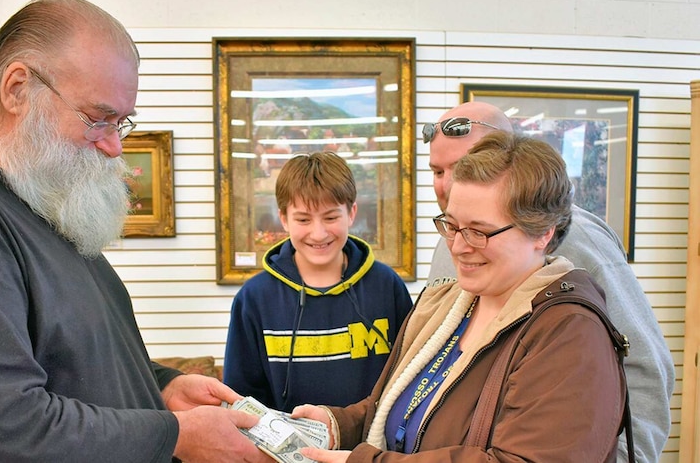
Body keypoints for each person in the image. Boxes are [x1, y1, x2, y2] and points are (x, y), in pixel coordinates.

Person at [0, 0, 271, 463]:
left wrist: (162, 387)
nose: (115, 147)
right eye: (98, 120)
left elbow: (75, 364)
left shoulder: (44, 207)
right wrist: (173, 434)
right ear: (17, 88)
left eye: (122, 123)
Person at [294, 131, 628, 461]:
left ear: (542, 232)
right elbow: (402, 406)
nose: (458, 246)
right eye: (451, 226)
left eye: (479, 232)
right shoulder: (444, 303)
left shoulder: (570, 334)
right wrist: (335, 425)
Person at [424, 102, 674, 463]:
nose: (449, 184)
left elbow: (645, 368)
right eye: (437, 170)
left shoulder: (578, 238)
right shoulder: (449, 238)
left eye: (465, 166)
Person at [224, 151, 412, 413]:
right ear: (284, 219)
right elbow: (243, 397)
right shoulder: (254, 298)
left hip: (370, 452)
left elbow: (410, 378)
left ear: (351, 213)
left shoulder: (386, 285)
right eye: (303, 219)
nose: (319, 233)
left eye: (331, 217)